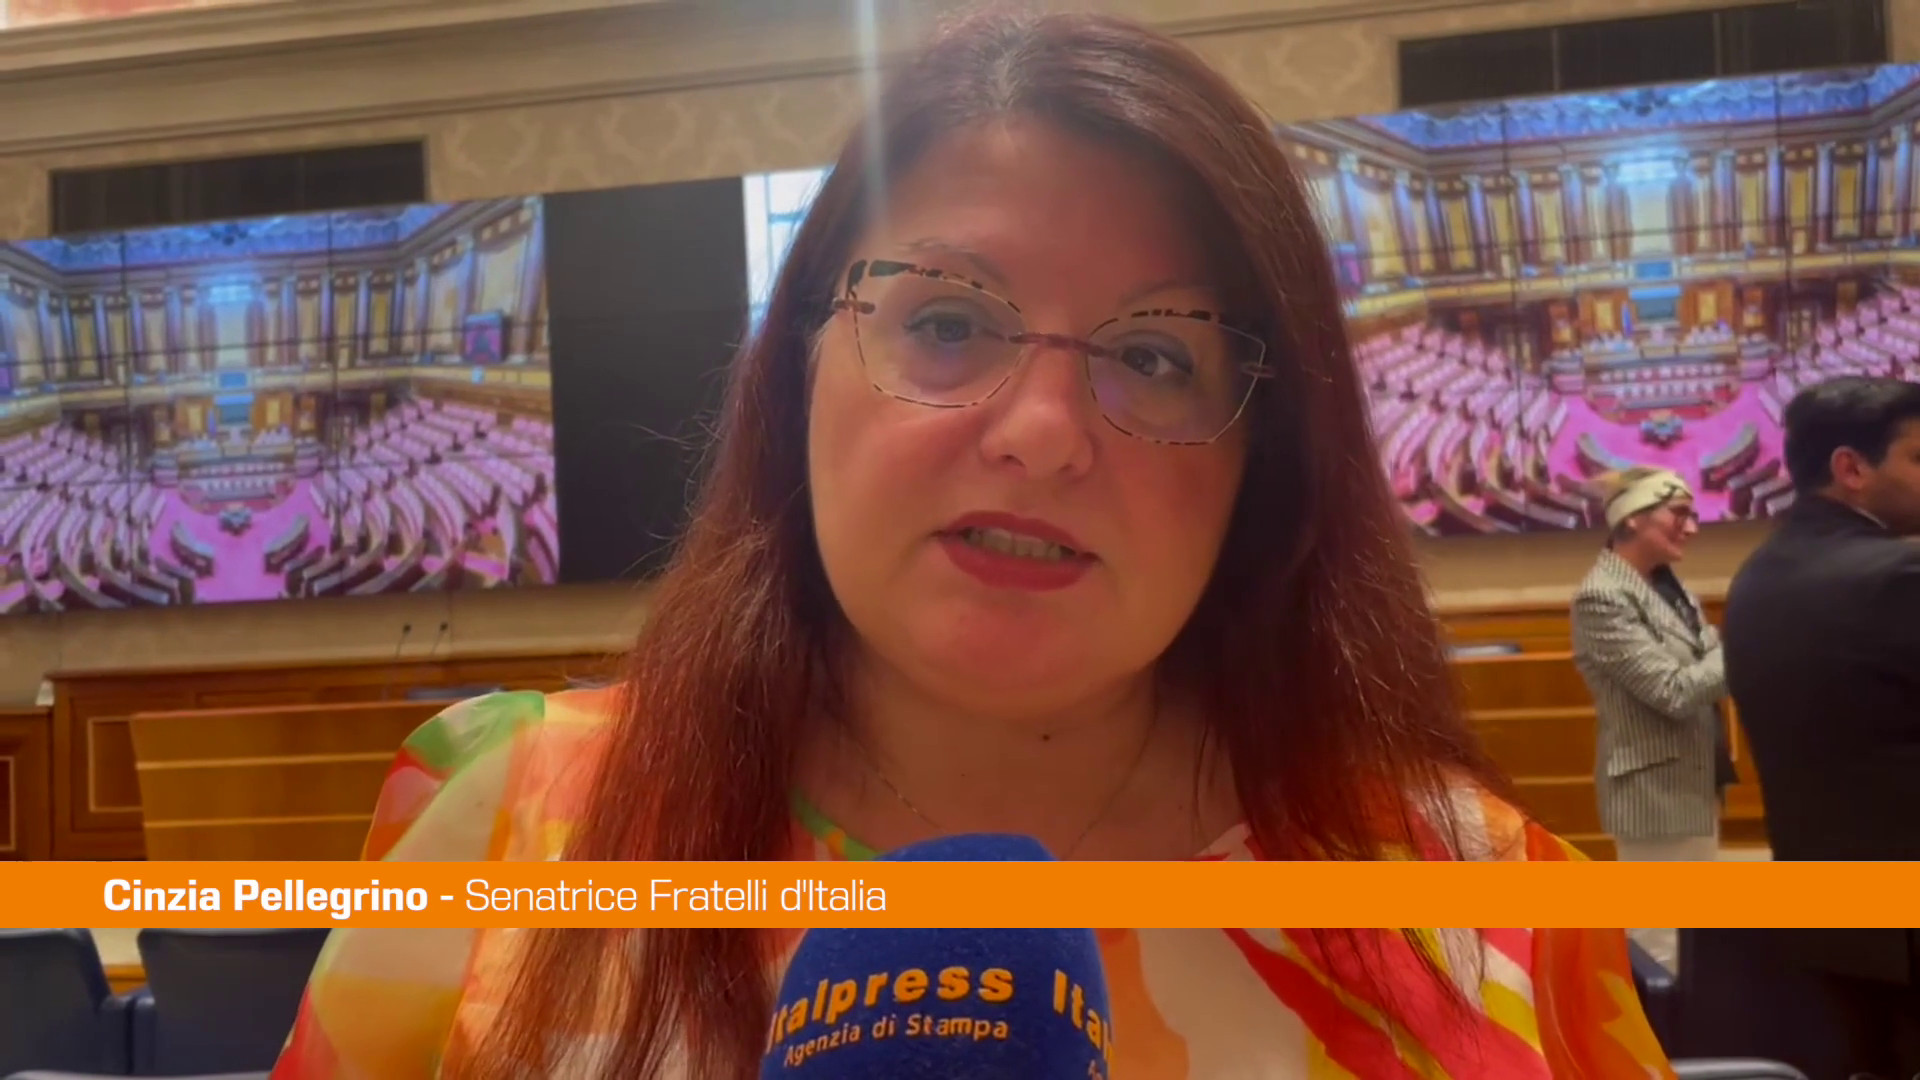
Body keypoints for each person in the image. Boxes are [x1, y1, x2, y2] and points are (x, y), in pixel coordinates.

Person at [270, 13, 1671, 1080]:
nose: (1043, 433)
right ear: (796, 374)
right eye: (946, 323)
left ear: (1265, 460)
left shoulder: (1490, 911)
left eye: (1155, 357)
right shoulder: (505, 833)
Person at [1723, 375, 1920, 1079]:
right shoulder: (1900, 573)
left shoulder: (1755, 578)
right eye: (1918, 458)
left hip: (1829, 923)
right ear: (1851, 469)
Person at [1568, 467, 1729, 971]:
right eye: (1679, 514)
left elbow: (1705, 662)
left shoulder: (1667, 587)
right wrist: (1745, 644)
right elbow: (1672, 691)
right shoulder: (1603, 596)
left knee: (1698, 931)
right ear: (1632, 518)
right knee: (1661, 943)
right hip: (1652, 790)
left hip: (1695, 780)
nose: (1692, 528)